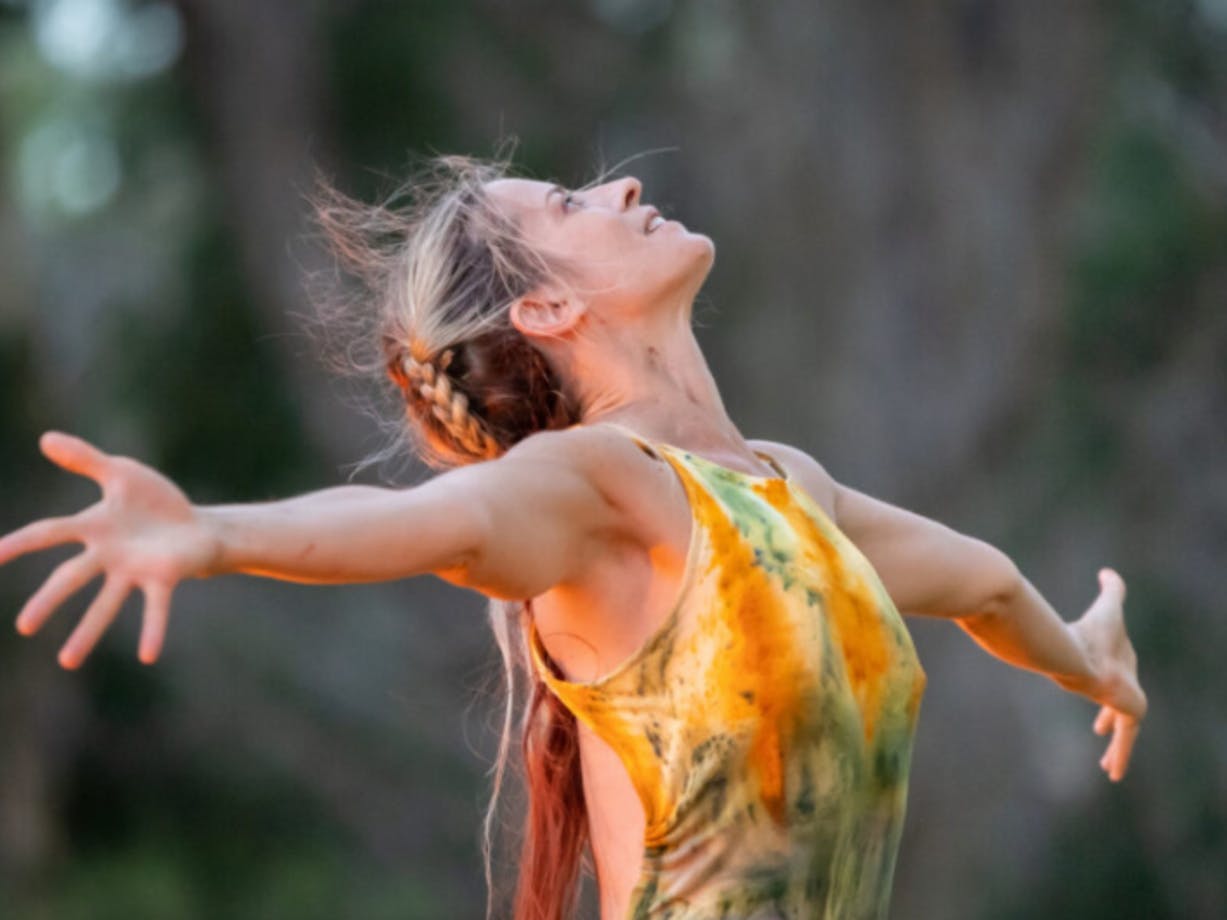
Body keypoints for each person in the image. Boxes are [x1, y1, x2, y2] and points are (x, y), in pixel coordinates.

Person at [0, 153, 1146, 920]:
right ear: (545, 312)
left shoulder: (795, 491)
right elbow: (424, 522)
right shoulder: (601, 485)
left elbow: (987, 587)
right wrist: (209, 531)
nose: (622, 184)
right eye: (567, 206)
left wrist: (1087, 655)